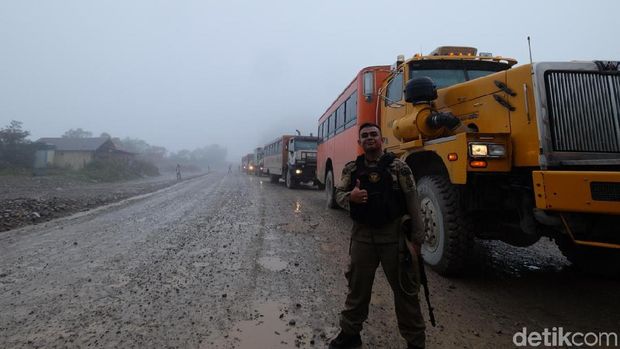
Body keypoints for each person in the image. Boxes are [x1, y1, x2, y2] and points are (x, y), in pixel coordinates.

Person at [329, 123, 426, 349]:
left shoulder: (400, 168)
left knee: (406, 291)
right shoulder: (352, 169)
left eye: (374, 134)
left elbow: (413, 203)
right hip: (362, 237)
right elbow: (339, 193)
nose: (370, 138)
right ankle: (350, 334)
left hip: (394, 239)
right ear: (359, 142)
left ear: (382, 139)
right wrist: (350, 199)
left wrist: (417, 241)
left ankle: (415, 342)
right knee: (357, 289)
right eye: (365, 136)